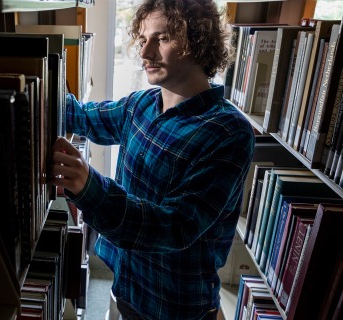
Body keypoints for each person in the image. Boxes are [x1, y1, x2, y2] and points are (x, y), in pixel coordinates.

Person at [50, 0, 255, 319]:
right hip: (127, 285)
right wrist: (29, 80)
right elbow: (84, 117)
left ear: (198, 40)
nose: (145, 53)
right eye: (143, 40)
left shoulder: (228, 131)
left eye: (162, 39)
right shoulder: (142, 104)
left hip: (174, 305)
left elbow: (177, 226)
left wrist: (91, 187)